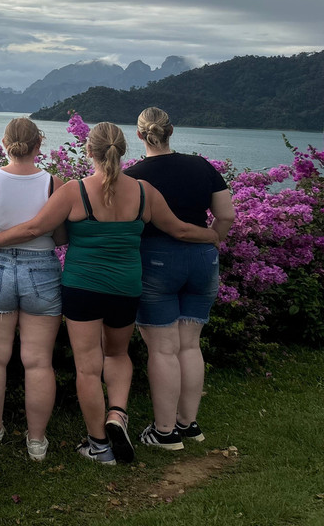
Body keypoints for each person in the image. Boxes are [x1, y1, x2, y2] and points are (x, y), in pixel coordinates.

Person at [0, 122, 219, 465]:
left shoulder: (73, 191)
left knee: (88, 367)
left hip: (82, 289)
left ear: (88, 152)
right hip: (126, 288)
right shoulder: (143, 192)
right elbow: (179, 230)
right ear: (122, 151)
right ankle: (117, 413)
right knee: (118, 355)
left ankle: (98, 444)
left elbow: (35, 228)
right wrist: (210, 235)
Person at [124, 107, 235, 450]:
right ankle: (189, 424)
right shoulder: (202, 166)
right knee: (189, 344)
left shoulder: (133, 175)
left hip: (156, 260)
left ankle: (165, 431)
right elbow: (226, 215)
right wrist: (211, 238)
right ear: (172, 131)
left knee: (162, 349)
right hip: (203, 260)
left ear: (140, 135)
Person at [0, 118, 66, 462]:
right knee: (37, 362)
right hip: (42, 272)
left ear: (5, 144)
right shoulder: (54, 184)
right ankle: (36, 442)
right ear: (39, 145)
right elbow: (62, 237)